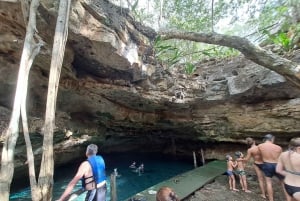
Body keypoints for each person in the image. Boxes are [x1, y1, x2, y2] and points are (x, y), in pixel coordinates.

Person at [258, 134, 284, 201]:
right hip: (277, 164)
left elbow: (259, 156)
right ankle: (288, 198)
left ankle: (271, 200)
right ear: (272, 139)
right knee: (283, 182)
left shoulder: (260, 146)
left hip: (267, 164)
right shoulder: (279, 147)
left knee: (268, 182)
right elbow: (281, 158)